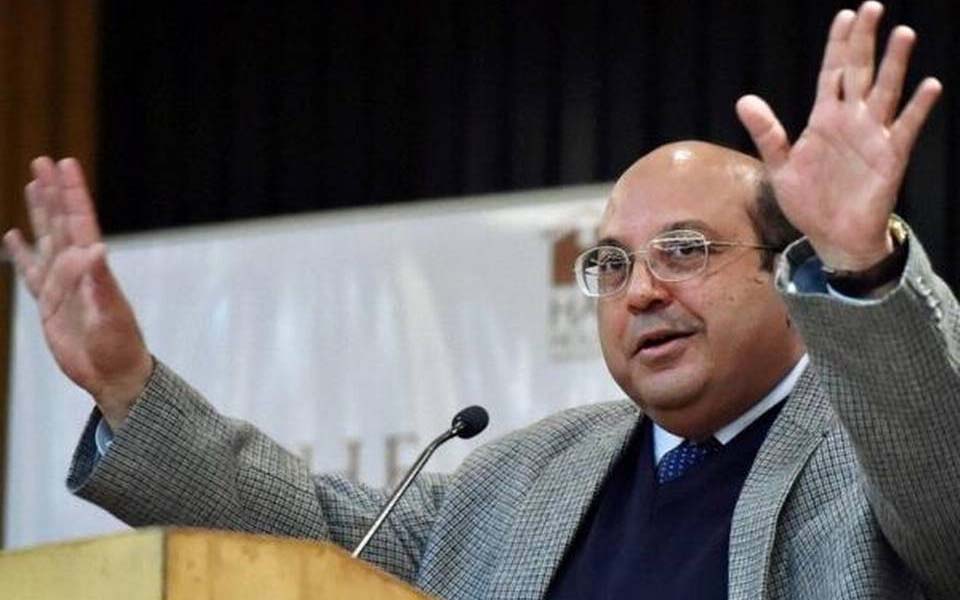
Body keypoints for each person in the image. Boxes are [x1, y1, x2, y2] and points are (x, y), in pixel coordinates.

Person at [4, 2, 958, 598]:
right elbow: (321, 539)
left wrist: (860, 264)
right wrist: (127, 386)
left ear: (787, 273)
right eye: (612, 264)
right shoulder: (523, 479)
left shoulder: (873, 450)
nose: (642, 291)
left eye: (684, 251)